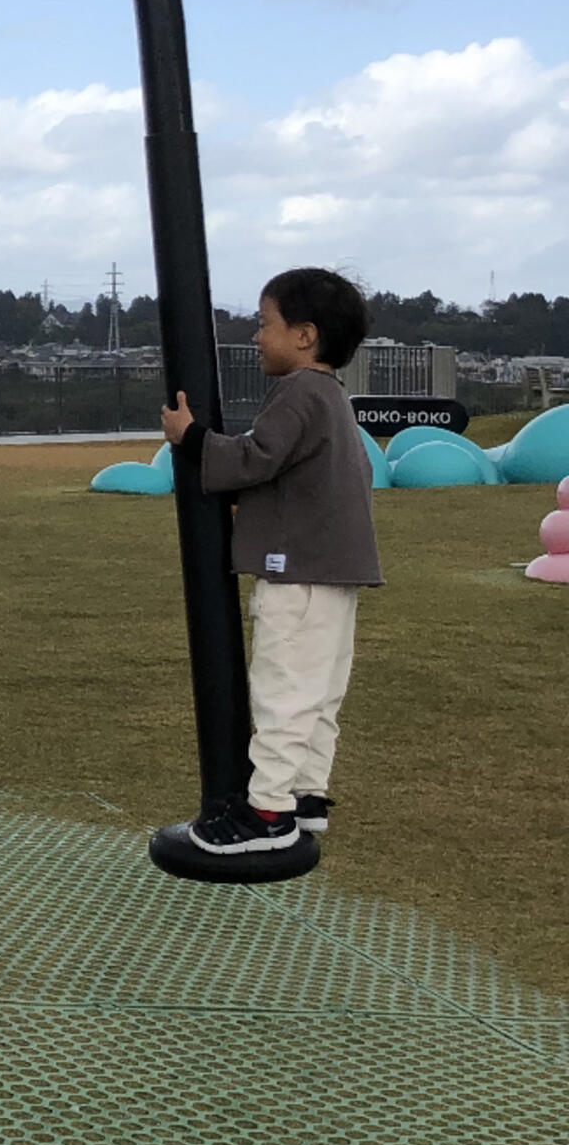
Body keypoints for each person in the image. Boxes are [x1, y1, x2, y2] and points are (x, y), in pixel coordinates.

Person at [161, 265, 380, 860]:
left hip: (299, 575)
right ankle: (305, 794)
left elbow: (258, 456)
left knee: (284, 689)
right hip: (334, 574)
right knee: (318, 690)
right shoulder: (333, 398)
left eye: (265, 324)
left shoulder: (299, 392)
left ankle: (267, 812)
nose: (257, 336)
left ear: (305, 336)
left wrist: (193, 437)